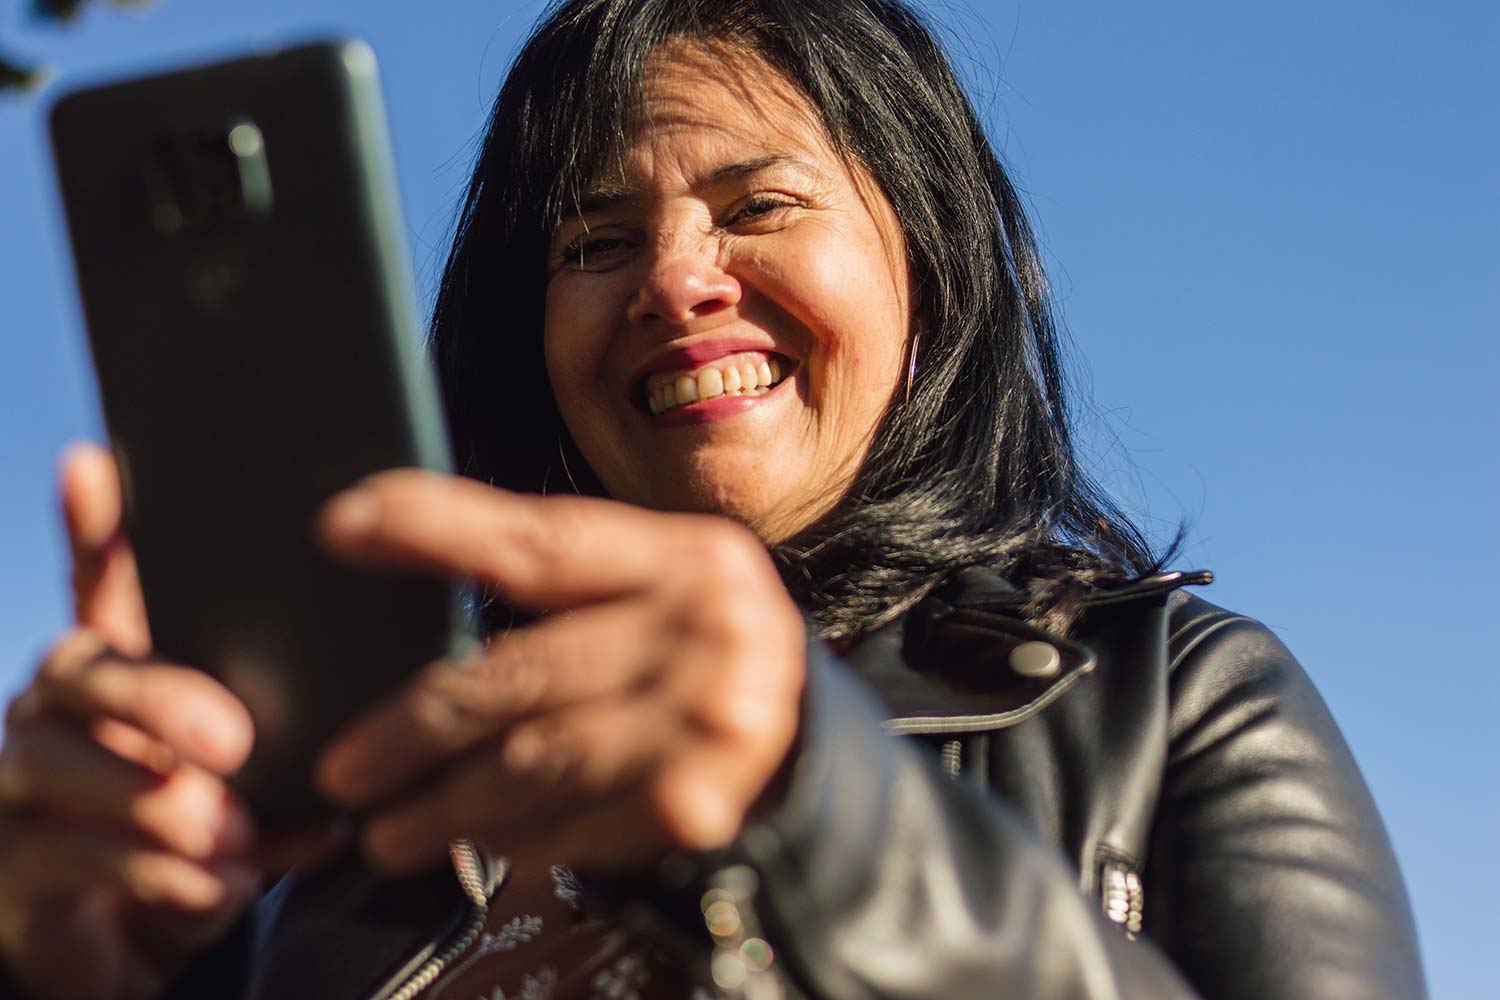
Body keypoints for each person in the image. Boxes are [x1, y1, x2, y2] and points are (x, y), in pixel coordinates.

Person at [0, 0, 1427, 998]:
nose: (676, 280)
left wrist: (835, 823)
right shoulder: (327, 847)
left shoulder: (1175, 698)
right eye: (596, 239)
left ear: (921, 272)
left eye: (759, 207)